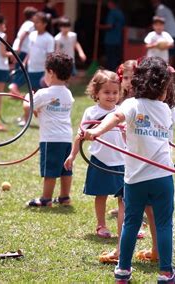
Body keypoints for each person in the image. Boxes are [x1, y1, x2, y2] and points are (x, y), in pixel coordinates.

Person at [83, 57, 175, 283]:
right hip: (161, 177)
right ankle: (166, 274)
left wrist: (97, 132)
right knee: (163, 224)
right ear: (163, 87)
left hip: (134, 178)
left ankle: (122, 272)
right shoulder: (165, 108)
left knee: (131, 223)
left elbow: (114, 117)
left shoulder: (131, 104)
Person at [64, 69, 124, 241]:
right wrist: (72, 155)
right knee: (101, 194)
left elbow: (129, 136)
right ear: (96, 93)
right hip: (100, 160)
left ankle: (125, 226)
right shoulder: (91, 113)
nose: (111, 96)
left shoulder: (123, 111)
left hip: (121, 160)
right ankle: (101, 224)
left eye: (115, 92)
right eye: (106, 92)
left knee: (124, 198)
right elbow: (80, 135)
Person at [24, 52, 74, 207]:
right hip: (66, 138)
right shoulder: (68, 93)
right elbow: (51, 112)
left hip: (51, 139)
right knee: (66, 170)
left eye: (46, 72)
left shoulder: (43, 93)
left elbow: (28, 105)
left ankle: (46, 199)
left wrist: (27, 97)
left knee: (50, 171)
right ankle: (65, 197)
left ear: (51, 72)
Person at [12, 12, 55, 126]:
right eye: (34, 22)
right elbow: (30, 51)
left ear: (45, 24)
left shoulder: (49, 38)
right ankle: (26, 120)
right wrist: (24, 63)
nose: (35, 24)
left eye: (38, 22)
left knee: (43, 97)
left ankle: (45, 119)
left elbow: (49, 57)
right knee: (30, 95)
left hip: (42, 72)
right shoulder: (32, 35)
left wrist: (47, 73)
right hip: (31, 70)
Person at [100, 0, 125, 72]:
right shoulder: (121, 13)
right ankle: (117, 73)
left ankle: (111, 74)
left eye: (108, 2)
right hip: (118, 40)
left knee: (111, 59)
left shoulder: (112, 12)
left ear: (111, 3)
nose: (107, 4)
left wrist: (99, 26)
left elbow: (109, 26)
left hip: (110, 40)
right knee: (116, 58)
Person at [11, 6, 37, 75]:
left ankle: (14, 82)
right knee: (21, 68)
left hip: (18, 47)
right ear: (32, 16)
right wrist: (19, 47)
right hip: (22, 49)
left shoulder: (26, 23)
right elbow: (23, 34)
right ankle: (15, 83)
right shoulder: (31, 24)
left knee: (18, 67)